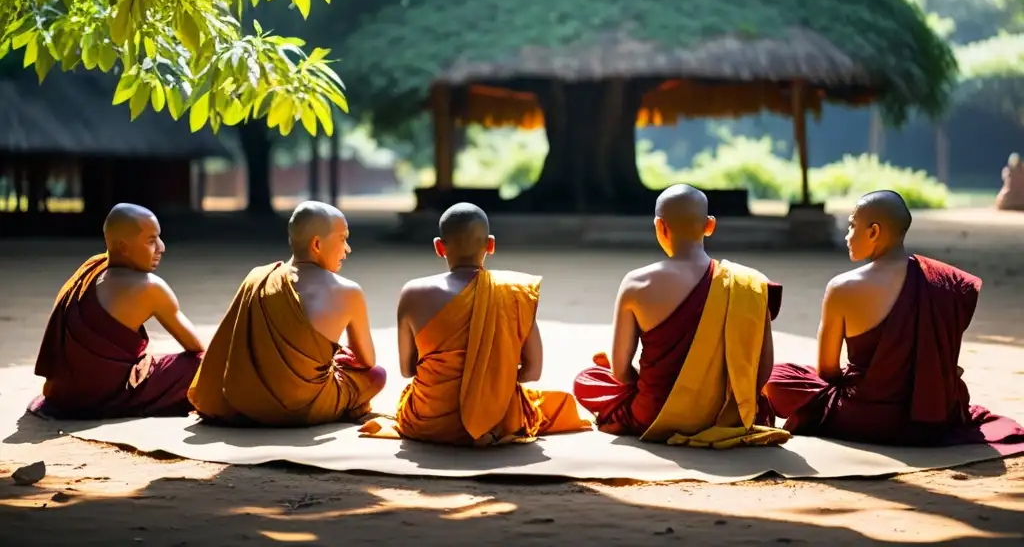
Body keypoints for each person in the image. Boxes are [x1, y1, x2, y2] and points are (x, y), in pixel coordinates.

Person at [765, 190, 1024, 446]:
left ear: (874, 231)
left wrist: (868, 382)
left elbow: (827, 370)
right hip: (930, 416)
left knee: (775, 376)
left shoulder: (841, 287)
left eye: (852, 226)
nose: (847, 235)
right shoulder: (944, 281)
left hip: (860, 416)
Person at [573, 185, 787, 447]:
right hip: (726, 415)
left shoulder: (636, 283)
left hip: (653, 413)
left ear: (660, 227)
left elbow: (619, 371)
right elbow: (763, 371)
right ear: (710, 226)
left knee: (588, 379)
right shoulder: (750, 284)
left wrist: (656, 389)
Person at [360, 202, 590, 446]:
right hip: (498, 419)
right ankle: (482, 426)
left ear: (439, 247)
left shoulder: (413, 293)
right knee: (557, 404)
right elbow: (532, 372)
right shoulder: (513, 292)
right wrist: (492, 384)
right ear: (491, 244)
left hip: (428, 420)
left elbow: (408, 370)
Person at [188, 201, 385, 426]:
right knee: (377, 375)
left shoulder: (257, 278)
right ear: (317, 244)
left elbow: (227, 350)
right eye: (343, 238)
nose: (347, 248)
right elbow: (367, 360)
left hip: (249, 403)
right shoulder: (349, 292)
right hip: (307, 407)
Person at [30, 204, 204, 419]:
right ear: (123, 246)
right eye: (151, 241)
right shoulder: (149, 286)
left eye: (159, 238)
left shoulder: (91, 268)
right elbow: (196, 347)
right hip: (106, 396)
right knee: (204, 363)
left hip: (63, 395)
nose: (161, 247)